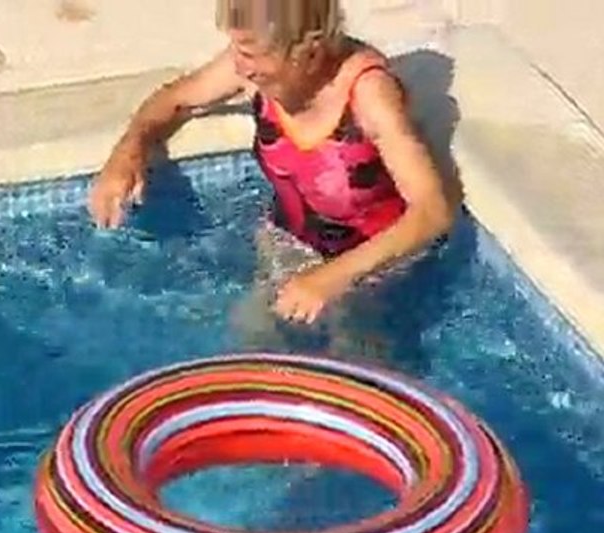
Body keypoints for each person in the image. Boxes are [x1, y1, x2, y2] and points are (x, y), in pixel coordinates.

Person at [88, 0, 457, 352]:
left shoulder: (368, 94)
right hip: (289, 245)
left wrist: (332, 278)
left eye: (250, 54)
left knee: (354, 359)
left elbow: (432, 212)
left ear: (308, 52)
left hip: (375, 265)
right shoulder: (248, 63)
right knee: (251, 339)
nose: (240, 67)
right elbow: (174, 99)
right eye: (237, 48)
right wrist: (128, 153)